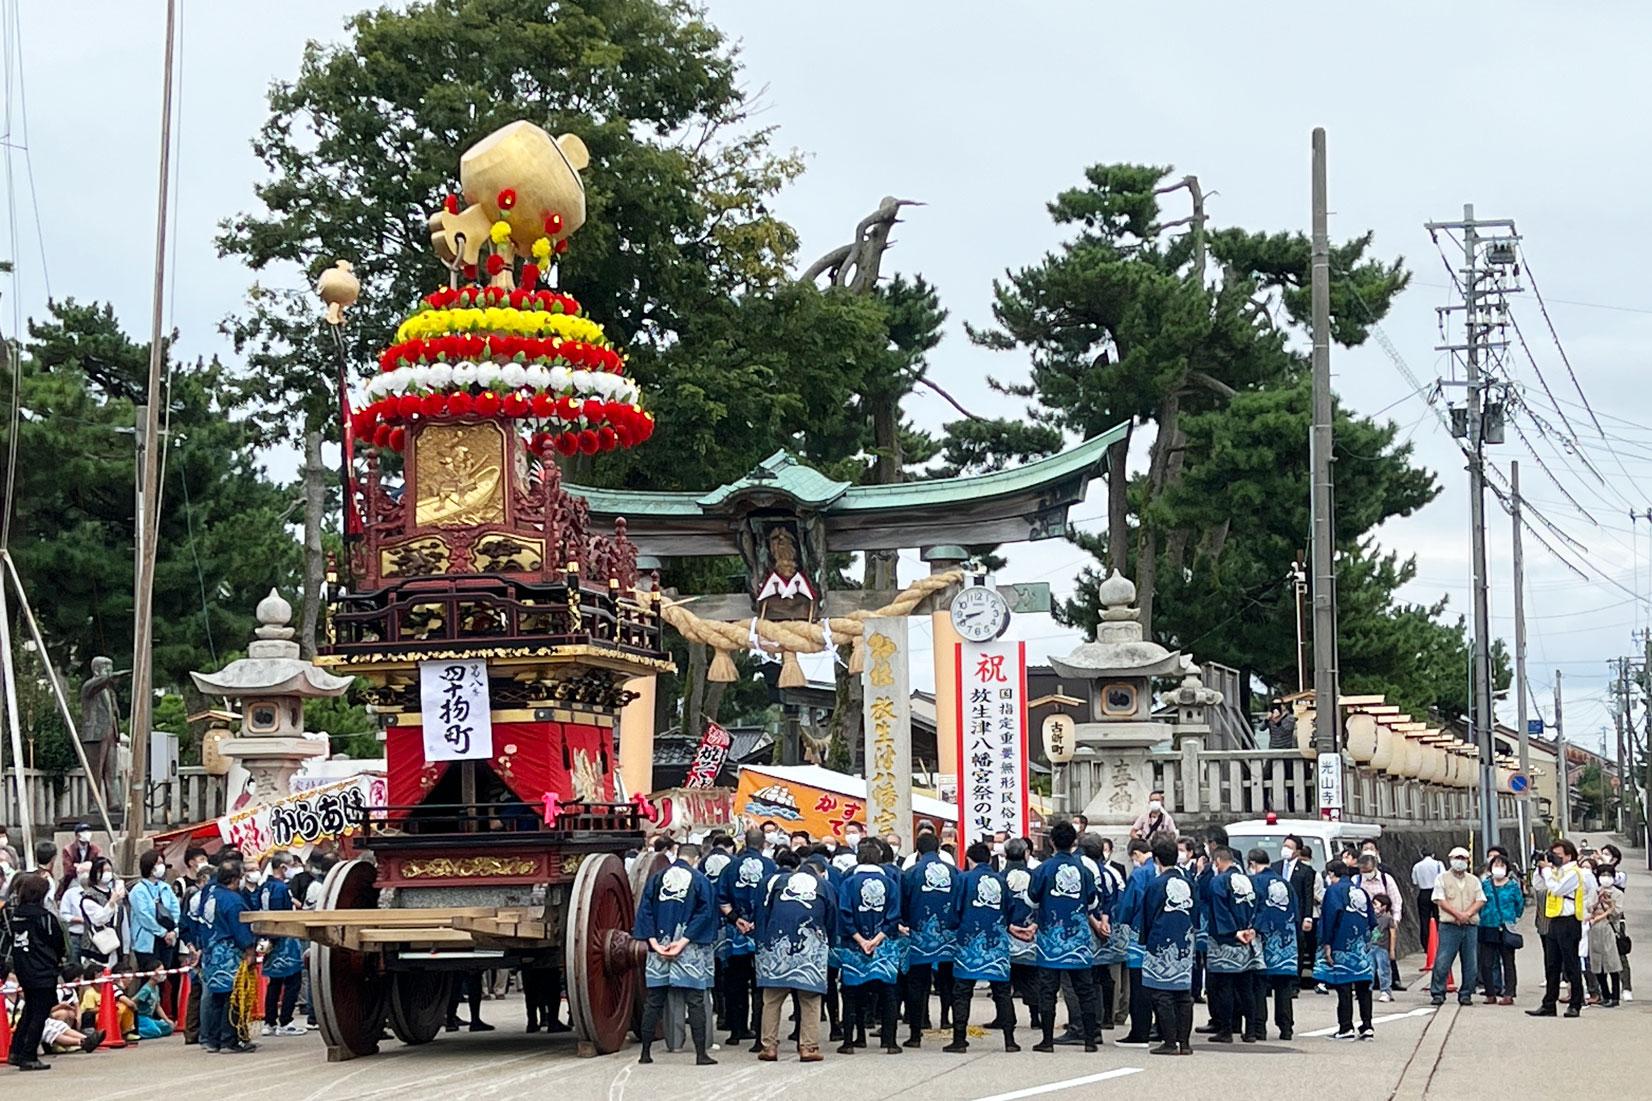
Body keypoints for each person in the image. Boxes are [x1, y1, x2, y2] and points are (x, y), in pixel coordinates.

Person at [634, 837, 718, 1065]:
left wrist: (654, 942)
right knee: (695, 1000)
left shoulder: (657, 878)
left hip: (659, 945)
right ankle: (701, 1054)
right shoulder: (700, 880)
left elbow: (645, 911)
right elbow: (706, 914)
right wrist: (682, 942)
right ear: (696, 859)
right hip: (688, 947)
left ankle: (645, 1053)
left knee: (654, 1001)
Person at [4, 872, 93, 1070]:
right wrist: (58, 961)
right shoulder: (44, 917)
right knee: (40, 1013)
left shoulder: (16, 915)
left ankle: (16, 1051)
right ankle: (28, 1055)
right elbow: (57, 942)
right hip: (43, 970)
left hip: (24, 968)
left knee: (29, 1011)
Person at [1027, 820, 1102, 1053]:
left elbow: (1031, 899)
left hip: (1051, 937)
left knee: (1048, 990)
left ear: (1051, 842)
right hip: (1079, 938)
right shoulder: (1084, 870)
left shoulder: (1042, 869)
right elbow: (1093, 902)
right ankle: (1090, 1040)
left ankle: (1047, 1041)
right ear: (1074, 842)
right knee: (1085, 989)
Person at [754, 852, 835, 1062]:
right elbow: (832, 917)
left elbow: (764, 913)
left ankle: (769, 1047)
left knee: (771, 1000)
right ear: (820, 873)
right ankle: (808, 1048)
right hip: (810, 948)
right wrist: (830, 943)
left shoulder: (778, 882)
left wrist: (763, 944)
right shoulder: (825, 886)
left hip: (777, 946)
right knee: (810, 1001)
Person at [946, 841, 1018, 1053]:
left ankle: (959, 1039)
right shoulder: (1001, 880)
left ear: (969, 859)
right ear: (989, 859)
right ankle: (1009, 1040)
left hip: (969, 942)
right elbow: (1010, 910)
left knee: (962, 991)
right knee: (1002, 991)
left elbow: (954, 912)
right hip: (996, 942)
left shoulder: (963, 879)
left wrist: (953, 925)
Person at [836, 838, 902, 1055]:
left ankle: (851, 1040)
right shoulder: (890, 883)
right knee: (888, 993)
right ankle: (890, 1042)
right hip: (884, 945)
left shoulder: (848, 883)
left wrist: (861, 939)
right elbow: (894, 916)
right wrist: (877, 939)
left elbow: (844, 914)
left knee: (852, 993)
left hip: (854, 946)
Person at [718, 827, 776, 1049]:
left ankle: (736, 1030)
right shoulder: (771, 866)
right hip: (761, 933)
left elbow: (721, 899)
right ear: (763, 844)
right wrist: (757, 922)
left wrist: (736, 920)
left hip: (736, 934)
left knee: (735, 983)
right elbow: (774, 901)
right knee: (760, 985)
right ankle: (760, 1035)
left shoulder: (730, 867)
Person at [899, 831, 958, 1046]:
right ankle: (947, 1019)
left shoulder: (911, 873)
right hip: (949, 935)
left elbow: (903, 904)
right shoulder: (954, 872)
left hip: (919, 935)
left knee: (917, 983)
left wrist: (906, 922)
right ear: (939, 849)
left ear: (917, 850)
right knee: (948, 981)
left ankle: (917, 1031)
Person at [1138, 836, 1195, 1056]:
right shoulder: (1189, 882)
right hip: (1184, 939)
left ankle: (1170, 1041)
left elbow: (1148, 914)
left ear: (1157, 859)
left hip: (1161, 940)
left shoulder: (1156, 884)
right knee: (1183, 994)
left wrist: (1146, 939)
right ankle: (1185, 1042)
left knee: (1162, 993)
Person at [200, 859, 259, 1054]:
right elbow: (240, 929)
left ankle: (213, 1039)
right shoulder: (233, 901)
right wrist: (250, 950)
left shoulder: (210, 895)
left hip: (210, 952)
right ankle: (229, 1040)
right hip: (228, 953)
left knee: (216, 996)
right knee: (233, 996)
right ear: (235, 879)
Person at [1203, 845, 1260, 1043]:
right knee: (1246, 987)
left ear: (1217, 861)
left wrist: (1233, 931)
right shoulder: (1247, 879)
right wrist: (1251, 928)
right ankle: (1251, 1030)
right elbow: (1257, 906)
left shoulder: (1219, 881)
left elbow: (1219, 910)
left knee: (1224, 986)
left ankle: (1226, 1029)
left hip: (1227, 939)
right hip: (1248, 936)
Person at [1315, 861, 1374, 1040]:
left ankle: (1345, 1026)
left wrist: (1326, 943)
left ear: (1332, 874)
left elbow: (1330, 917)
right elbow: (1372, 920)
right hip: (1361, 944)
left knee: (1344, 985)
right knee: (1364, 986)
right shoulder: (1360, 891)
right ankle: (1367, 1025)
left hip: (1342, 942)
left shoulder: (1334, 891)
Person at [1249, 847, 1298, 1038]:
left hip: (1263, 941)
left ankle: (1259, 1027)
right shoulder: (1285, 883)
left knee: (1259, 987)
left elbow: (1254, 912)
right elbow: (1296, 912)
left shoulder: (1255, 882)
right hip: (1287, 941)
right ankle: (1286, 1028)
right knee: (1284, 987)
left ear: (1252, 864)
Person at [255, 854, 305, 1036]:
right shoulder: (280, 888)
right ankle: (285, 1020)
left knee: (274, 983)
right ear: (283, 867)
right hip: (284, 940)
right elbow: (281, 915)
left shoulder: (264, 887)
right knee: (293, 981)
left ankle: (270, 1021)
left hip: (268, 937)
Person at [1113, 839, 1156, 1046]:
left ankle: (1140, 1031)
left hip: (1139, 934)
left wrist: (1120, 920)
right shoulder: (1163, 870)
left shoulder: (1140, 874)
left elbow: (1128, 905)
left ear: (1137, 854)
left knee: (1139, 986)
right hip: (1160, 936)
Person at [1429, 846, 1484, 1006]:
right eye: (1456, 858)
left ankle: (1466, 993)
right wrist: (1457, 914)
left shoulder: (1473, 880)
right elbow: (1440, 899)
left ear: (1468, 861)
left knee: (1470, 962)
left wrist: (1467, 914)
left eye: (1463, 858)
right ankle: (1438, 993)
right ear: (1450, 859)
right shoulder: (1442, 878)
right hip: (1449, 925)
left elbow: (1480, 899)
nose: (1459, 861)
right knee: (1443, 960)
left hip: (1470, 925)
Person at [1001, 838, 1041, 1032]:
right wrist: (1035, 925)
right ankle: (1036, 1017)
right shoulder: (1036, 876)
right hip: (1031, 932)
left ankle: (1006, 1017)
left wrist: (1008, 926)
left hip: (1007, 932)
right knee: (1031, 978)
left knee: (1003, 981)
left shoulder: (999, 877)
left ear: (1005, 855)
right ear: (1026, 854)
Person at [1479, 853, 1524, 1005]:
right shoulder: (1485, 884)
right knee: (1486, 962)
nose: (1498, 868)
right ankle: (1490, 993)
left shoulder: (1512, 885)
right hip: (1487, 925)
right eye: (1495, 865)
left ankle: (1509, 993)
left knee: (1508, 961)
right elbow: (1479, 902)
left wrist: (1513, 918)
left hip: (1505, 926)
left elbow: (1519, 904)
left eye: (1502, 865)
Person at [1274, 836, 1317, 986]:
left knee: (1296, 948)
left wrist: (1307, 917)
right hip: (1277, 915)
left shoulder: (1306, 871)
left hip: (1296, 916)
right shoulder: (1275, 867)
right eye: (1284, 845)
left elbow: (1308, 896)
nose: (1285, 849)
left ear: (1298, 851)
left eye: (1290, 847)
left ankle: (1294, 983)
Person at [130, 849, 181, 972]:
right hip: (147, 940)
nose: (161, 866)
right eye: (158, 863)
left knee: (165, 976)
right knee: (149, 976)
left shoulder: (166, 888)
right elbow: (144, 916)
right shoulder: (138, 890)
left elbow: (175, 910)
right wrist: (162, 933)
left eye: (162, 863)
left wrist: (174, 931)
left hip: (168, 940)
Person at [1586, 863, 1624, 1008]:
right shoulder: (1594, 891)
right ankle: (1605, 994)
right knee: (1597, 964)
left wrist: (1609, 903)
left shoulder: (1618, 893)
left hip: (1608, 929)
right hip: (1595, 929)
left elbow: (1617, 913)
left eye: (1608, 875)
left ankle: (1615, 997)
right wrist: (1597, 900)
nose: (1605, 878)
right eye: (1603, 875)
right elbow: (1589, 907)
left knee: (1612, 963)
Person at [78, 856, 125, 970]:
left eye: (109, 870)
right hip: (95, 948)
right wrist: (112, 902)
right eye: (104, 871)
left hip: (114, 945)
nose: (107, 874)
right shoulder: (89, 896)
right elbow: (99, 919)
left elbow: (121, 921)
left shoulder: (113, 893)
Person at [132, 967, 176, 1039]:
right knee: (155, 1031)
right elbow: (133, 1001)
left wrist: (167, 1020)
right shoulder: (146, 990)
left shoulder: (156, 988)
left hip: (149, 1018)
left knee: (168, 1027)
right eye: (160, 971)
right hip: (141, 1017)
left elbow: (157, 1006)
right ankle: (134, 1031)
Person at [1411, 848, 1444, 944]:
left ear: (1421, 855)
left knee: (1424, 919)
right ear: (1433, 854)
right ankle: (1438, 941)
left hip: (1423, 893)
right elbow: (1443, 877)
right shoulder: (1438, 864)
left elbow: (1414, 881)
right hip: (1436, 892)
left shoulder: (1417, 866)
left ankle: (1426, 943)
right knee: (1438, 917)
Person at [1369, 894, 1396, 1002]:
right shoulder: (1370, 916)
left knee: (1383, 970)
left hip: (1382, 947)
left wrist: (1392, 950)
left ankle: (1385, 991)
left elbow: (1393, 934)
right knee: (1369, 969)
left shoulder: (1388, 918)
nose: (1373, 906)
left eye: (1376, 904)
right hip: (1370, 946)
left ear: (1384, 906)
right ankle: (1366, 990)